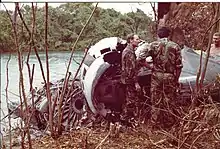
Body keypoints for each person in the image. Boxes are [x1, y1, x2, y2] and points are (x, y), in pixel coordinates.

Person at [138, 27, 183, 130]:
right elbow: (179, 66)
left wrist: (151, 67)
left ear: (158, 35)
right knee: (169, 100)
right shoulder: (175, 46)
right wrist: (176, 79)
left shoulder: (152, 45)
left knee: (155, 100)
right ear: (169, 35)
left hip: (156, 75)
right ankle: (169, 125)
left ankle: (155, 124)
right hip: (169, 76)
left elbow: (140, 59)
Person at [120, 33, 141, 127]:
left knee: (128, 100)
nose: (139, 40)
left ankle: (126, 120)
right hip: (130, 80)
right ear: (131, 40)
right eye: (137, 39)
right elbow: (130, 69)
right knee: (131, 101)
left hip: (126, 79)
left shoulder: (128, 51)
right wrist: (136, 82)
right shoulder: (129, 52)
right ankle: (126, 121)